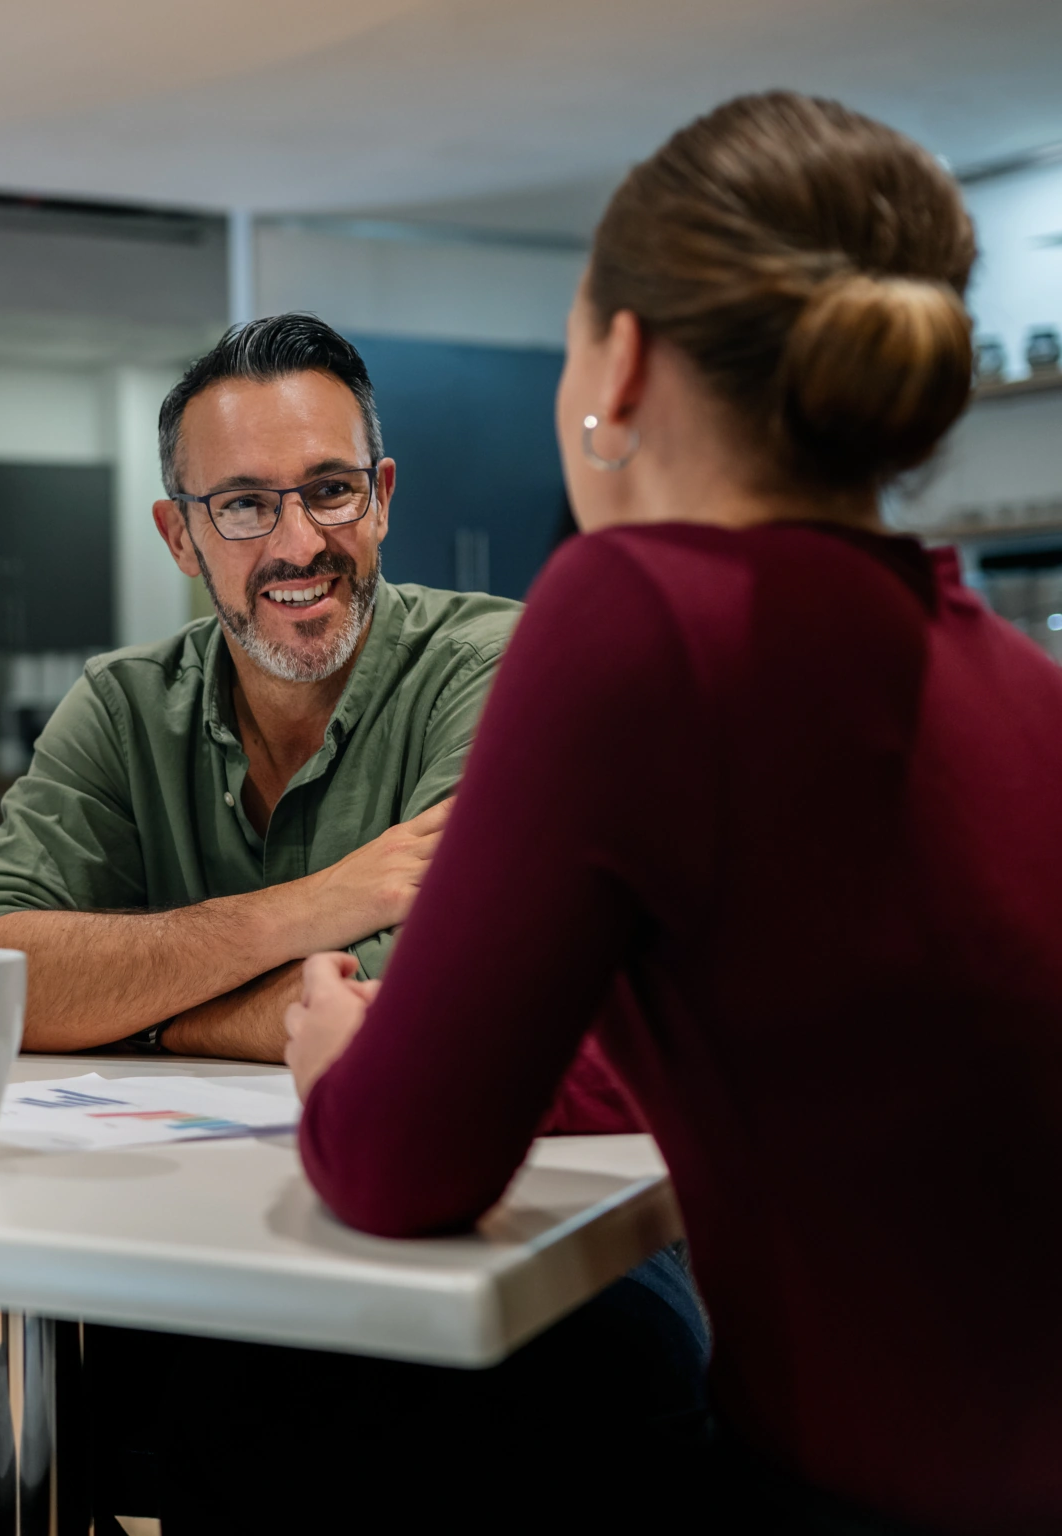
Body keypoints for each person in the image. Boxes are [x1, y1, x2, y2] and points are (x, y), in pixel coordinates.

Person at [285, 92, 1062, 1533]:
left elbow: (396, 1170)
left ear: (620, 364)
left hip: (868, 1500)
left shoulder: (634, 608)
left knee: (308, 1440)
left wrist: (341, 1061)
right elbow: (808, 1047)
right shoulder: (1017, 678)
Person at [0, 315, 706, 1533]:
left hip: (530, 1236)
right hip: (212, 1227)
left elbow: (435, 1011)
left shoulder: (495, 669)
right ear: (179, 533)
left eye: (330, 491)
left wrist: (137, 1008)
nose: (300, 543)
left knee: (281, 1403)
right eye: (243, 505)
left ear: (384, 497)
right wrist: (324, 906)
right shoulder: (125, 705)